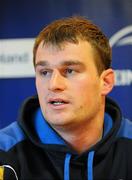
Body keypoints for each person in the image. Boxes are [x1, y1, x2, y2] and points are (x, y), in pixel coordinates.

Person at [0, 16, 132, 180]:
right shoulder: (4, 151)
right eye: (45, 72)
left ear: (105, 82)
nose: (53, 85)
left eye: (69, 70)